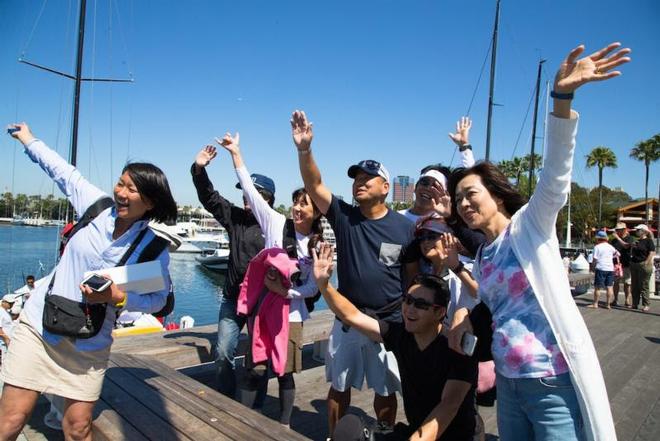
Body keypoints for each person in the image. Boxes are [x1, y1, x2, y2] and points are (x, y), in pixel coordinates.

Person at [447, 42, 630, 440]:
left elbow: (555, 174)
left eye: (471, 194)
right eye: (457, 198)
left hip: (550, 379)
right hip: (508, 381)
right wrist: (463, 313)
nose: (463, 203)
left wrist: (561, 98)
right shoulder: (484, 255)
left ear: (496, 194)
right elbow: (490, 304)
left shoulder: (530, 225)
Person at [0, 123, 177, 441]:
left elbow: (160, 301)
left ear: (150, 203)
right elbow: (61, 170)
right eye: (120, 184)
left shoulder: (154, 249)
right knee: (11, 420)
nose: (121, 193)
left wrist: (118, 297)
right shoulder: (96, 208)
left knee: (79, 429)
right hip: (40, 327)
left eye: (132, 190)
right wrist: (27, 138)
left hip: (89, 344)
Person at [291, 110, 414, 436]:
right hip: (346, 321)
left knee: (386, 390)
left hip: (388, 323)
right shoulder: (344, 216)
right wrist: (304, 150)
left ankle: (385, 432)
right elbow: (314, 184)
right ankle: (335, 436)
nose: (359, 182)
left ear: (385, 187)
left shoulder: (405, 228)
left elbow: (412, 279)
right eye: (356, 178)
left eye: (367, 177)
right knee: (339, 386)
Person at [313, 243, 478, 441]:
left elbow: (449, 405)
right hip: (415, 430)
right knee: (349, 432)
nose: (409, 309)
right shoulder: (401, 335)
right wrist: (324, 285)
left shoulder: (457, 347)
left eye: (421, 305)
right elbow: (352, 316)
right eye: (407, 300)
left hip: (457, 437)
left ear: (440, 312)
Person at [216, 132, 323, 427]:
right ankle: (243, 419)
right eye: (296, 203)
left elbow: (314, 287)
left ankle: (285, 424)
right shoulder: (276, 223)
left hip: (294, 317)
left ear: (316, 211)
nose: (298, 208)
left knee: (285, 373)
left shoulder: (317, 246)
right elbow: (250, 191)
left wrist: (286, 292)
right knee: (255, 368)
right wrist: (236, 154)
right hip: (264, 312)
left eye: (306, 205)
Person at [191, 144, 268, 398]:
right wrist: (199, 169)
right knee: (223, 352)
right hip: (232, 299)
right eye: (244, 193)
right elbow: (210, 198)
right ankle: (226, 399)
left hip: (263, 303)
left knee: (259, 359)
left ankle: (254, 405)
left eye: (251, 192)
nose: (245, 197)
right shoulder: (235, 218)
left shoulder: (277, 226)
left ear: (266, 198)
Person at [399, 117, 486, 258]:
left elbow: (471, 182)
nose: (428, 188)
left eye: (436, 186)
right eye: (425, 183)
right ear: (415, 188)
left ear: (444, 194)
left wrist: (465, 147)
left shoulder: (448, 221)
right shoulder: (398, 217)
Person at [590, 230, 619, 309]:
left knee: (598, 287)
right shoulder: (610, 247)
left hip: (601, 268)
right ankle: (608, 304)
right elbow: (618, 254)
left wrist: (592, 268)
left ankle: (595, 303)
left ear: (598, 239)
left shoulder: (597, 247)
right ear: (606, 239)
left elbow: (594, 259)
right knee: (609, 287)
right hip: (610, 268)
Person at [629, 224, 655, 312]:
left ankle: (646, 304)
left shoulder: (649, 241)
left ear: (643, 231)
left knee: (644, 285)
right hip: (634, 264)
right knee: (634, 285)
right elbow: (634, 252)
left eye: (638, 230)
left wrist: (646, 263)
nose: (636, 231)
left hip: (643, 264)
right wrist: (632, 247)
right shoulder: (637, 241)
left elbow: (651, 253)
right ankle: (635, 304)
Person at [610, 222, 634, 307]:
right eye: (616, 230)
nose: (617, 231)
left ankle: (627, 300)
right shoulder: (613, 241)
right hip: (616, 264)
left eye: (619, 230)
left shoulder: (630, 238)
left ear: (624, 230)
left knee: (627, 283)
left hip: (626, 263)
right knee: (615, 282)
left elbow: (626, 246)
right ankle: (615, 299)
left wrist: (618, 238)